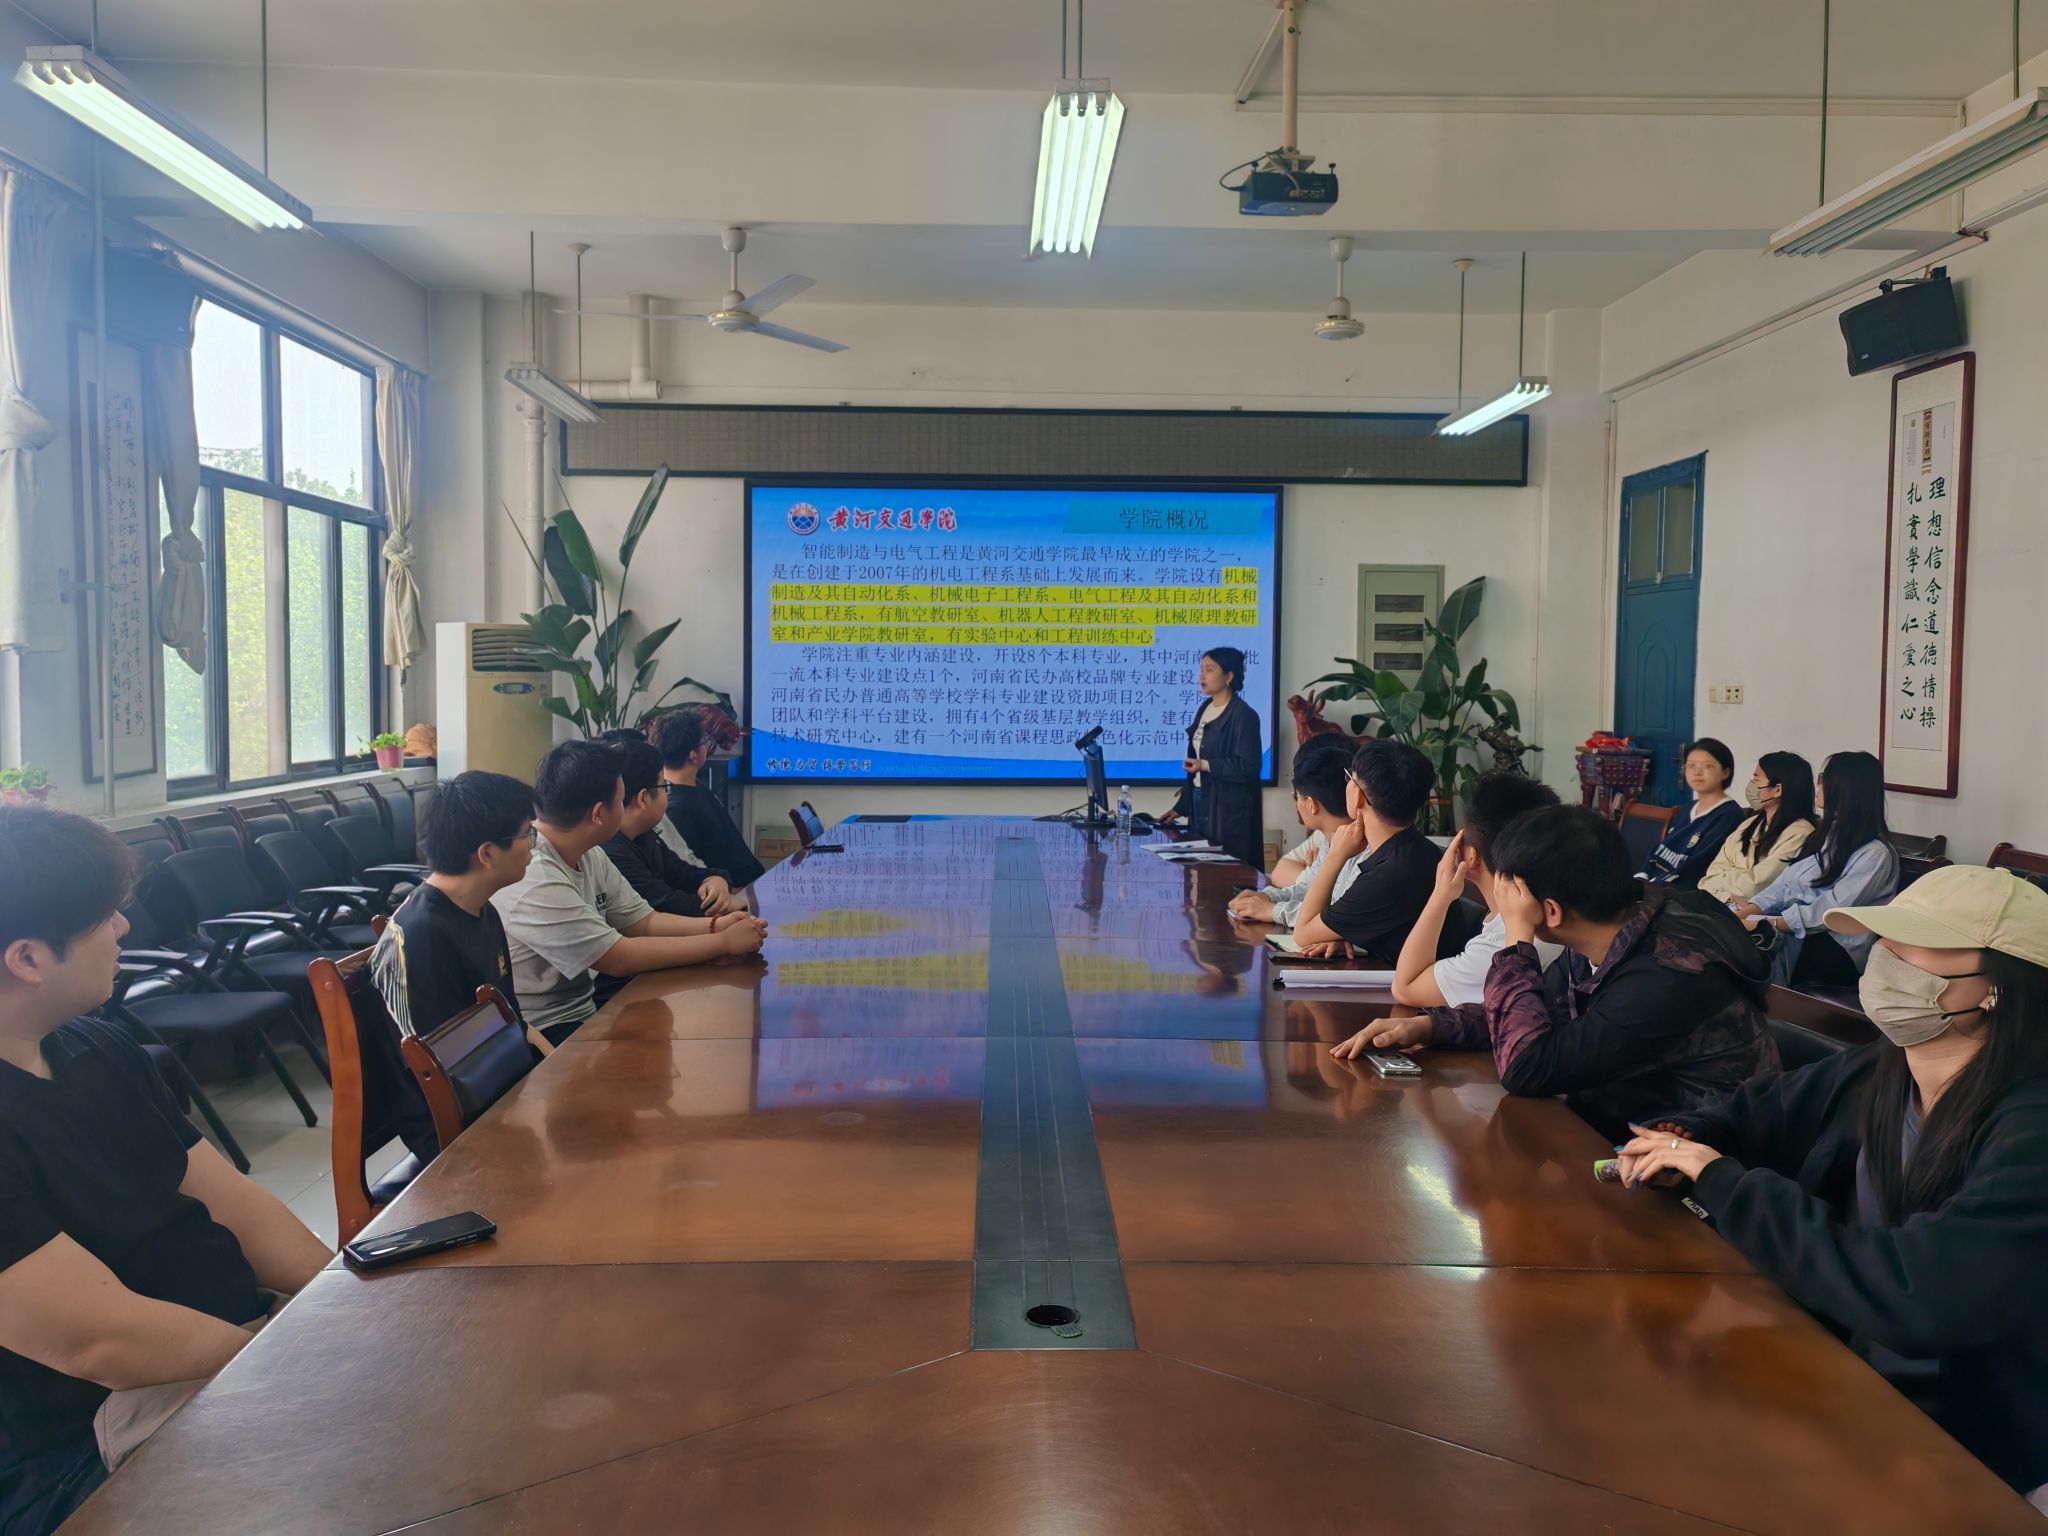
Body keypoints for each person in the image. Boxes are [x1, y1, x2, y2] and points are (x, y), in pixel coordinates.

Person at [1617, 865, 2048, 1509]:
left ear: (2000, 990)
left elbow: (1918, 1292)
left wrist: (1726, 1182)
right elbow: (1749, 1114)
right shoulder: (1883, 1067)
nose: (1884, 960)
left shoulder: (2032, 1128)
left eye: (1914, 948)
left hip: (1967, 1446)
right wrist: (1682, 1138)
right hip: (1850, 1377)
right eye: (1884, 941)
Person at [0, 808, 331, 1534]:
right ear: (26, 958)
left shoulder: (96, 1045)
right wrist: (292, 1370)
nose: (124, 928)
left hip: (231, 1352)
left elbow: (234, 1203)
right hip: (94, 1436)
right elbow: (98, 1341)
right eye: (105, 917)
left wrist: (342, 1307)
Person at [1338, 805, 1777, 1142]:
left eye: (1511, 894)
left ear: (1549, 911)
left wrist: (1516, 939)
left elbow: (1528, 1067)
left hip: (1694, 1175)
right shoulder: (1620, 921)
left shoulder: (1666, 973)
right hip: (1618, 1137)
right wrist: (1430, 1025)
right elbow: (1542, 1012)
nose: (1502, 903)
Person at [494, 740, 766, 1043]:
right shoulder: (536, 875)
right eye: (621, 800)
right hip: (546, 1029)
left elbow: (643, 921)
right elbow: (618, 957)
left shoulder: (590, 852)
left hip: (585, 1010)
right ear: (599, 814)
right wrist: (722, 942)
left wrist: (716, 925)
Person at [1382, 770, 1562, 1011]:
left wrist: (1440, 895)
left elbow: (1405, 987)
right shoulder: (1562, 915)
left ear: (1469, 855)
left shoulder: (1498, 947)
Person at [1733, 749, 1898, 987]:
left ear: (1845, 788)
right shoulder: (1825, 835)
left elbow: (1832, 911)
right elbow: (1786, 884)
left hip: (1835, 947)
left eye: (1823, 778)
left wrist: (1771, 923)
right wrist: (1751, 910)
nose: (1817, 786)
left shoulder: (1875, 853)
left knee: (1743, 955)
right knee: (1723, 939)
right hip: (1798, 930)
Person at [1292, 739, 1458, 967]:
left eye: (1349, 779)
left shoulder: (1390, 874)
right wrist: (1344, 934)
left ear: (1358, 797)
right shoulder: (1414, 850)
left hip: (1401, 987)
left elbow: (1302, 934)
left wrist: (1335, 856)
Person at [1227, 746, 1358, 927]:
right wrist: (1267, 897)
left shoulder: (1360, 845)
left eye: (1296, 796)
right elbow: (1308, 888)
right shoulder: (1330, 839)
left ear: (1311, 804)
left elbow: (1334, 915)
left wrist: (1272, 911)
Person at [603, 736, 731, 919]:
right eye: (664, 786)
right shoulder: (613, 853)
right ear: (643, 798)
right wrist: (722, 903)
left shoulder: (645, 835)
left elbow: (685, 873)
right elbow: (667, 904)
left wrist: (717, 880)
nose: (667, 794)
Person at [1161, 646, 1263, 869]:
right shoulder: (1205, 708)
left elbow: (1249, 767)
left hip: (1226, 812)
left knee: (1221, 872)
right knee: (1198, 871)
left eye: (1209, 670)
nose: (1202, 676)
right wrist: (1181, 807)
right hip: (1200, 802)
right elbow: (1195, 768)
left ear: (1229, 676)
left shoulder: (1244, 715)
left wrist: (1206, 765)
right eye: (1201, 670)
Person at [650, 707, 766, 891]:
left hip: (753, 886)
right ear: (693, 755)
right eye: (704, 741)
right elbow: (691, 875)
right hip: (734, 894)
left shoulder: (696, 788)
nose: (708, 745)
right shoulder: (677, 809)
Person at [1697, 751, 1817, 904]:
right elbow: (1709, 878)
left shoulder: (1800, 833)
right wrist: (1730, 893)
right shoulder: (1749, 824)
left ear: (1777, 790)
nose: (1751, 785)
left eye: (1756, 779)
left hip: (1757, 912)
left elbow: (1755, 886)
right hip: (1723, 905)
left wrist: (1728, 876)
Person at [1638, 737, 1746, 886]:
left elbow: (1696, 870)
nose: (1697, 772)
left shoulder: (1728, 816)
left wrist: (1649, 888)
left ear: (1725, 772)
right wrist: (1641, 878)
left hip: (1682, 892)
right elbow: (1656, 855)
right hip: (1653, 886)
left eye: (1707, 766)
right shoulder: (1687, 809)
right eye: (1691, 765)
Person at [1264, 732, 1355, 887]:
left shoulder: (1357, 839)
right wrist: (1312, 875)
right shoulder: (1326, 834)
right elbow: (1279, 872)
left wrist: (1318, 878)